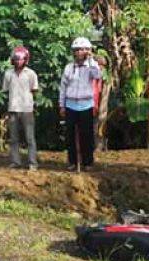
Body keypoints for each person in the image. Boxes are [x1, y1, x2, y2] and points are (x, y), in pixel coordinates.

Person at [59, 37, 102, 171]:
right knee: (70, 136)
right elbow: (63, 87)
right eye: (78, 50)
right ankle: (72, 162)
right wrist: (62, 105)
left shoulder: (90, 66)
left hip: (86, 105)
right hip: (71, 105)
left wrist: (90, 60)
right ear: (74, 52)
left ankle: (87, 162)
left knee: (86, 135)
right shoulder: (68, 68)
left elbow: (97, 75)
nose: (81, 52)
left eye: (84, 49)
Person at [2, 46, 39, 170]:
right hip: (13, 108)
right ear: (13, 60)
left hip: (27, 109)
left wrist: (29, 102)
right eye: (16, 59)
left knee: (30, 138)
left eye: (21, 59)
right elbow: (6, 90)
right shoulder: (8, 74)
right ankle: (15, 161)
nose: (19, 62)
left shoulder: (31, 74)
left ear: (26, 60)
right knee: (13, 138)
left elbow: (34, 90)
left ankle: (32, 162)